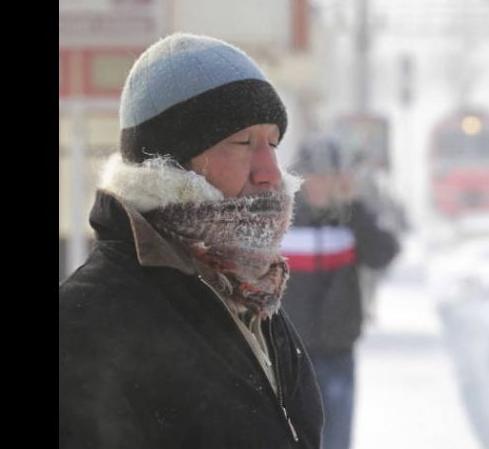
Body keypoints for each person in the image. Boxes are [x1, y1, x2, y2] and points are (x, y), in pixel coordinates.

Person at [59, 33, 323, 449]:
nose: (270, 171)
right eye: (242, 142)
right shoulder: (87, 322)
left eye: (272, 143)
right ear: (171, 164)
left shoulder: (253, 299)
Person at [280, 136, 400, 449]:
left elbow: (384, 253)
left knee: (335, 442)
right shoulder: (281, 220)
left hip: (337, 353)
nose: (324, 184)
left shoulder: (351, 219)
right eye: (317, 176)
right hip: (288, 359)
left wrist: (355, 206)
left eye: (331, 177)